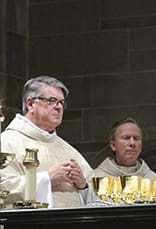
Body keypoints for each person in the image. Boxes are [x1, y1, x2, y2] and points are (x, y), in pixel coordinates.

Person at [0, 75, 91, 208]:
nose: (59, 107)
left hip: (76, 226)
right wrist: (47, 179)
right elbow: (4, 189)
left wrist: (83, 185)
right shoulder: (7, 142)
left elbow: (97, 193)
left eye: (61, 102)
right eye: (52, 100)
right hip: (32, 227)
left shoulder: (68, 149)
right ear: (30, 104)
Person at [89, 117, 156, 202]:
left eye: (136, 138)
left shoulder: (154, 180)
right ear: (113, 145)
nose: (132, 143)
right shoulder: (95, 179)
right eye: (126, 138)